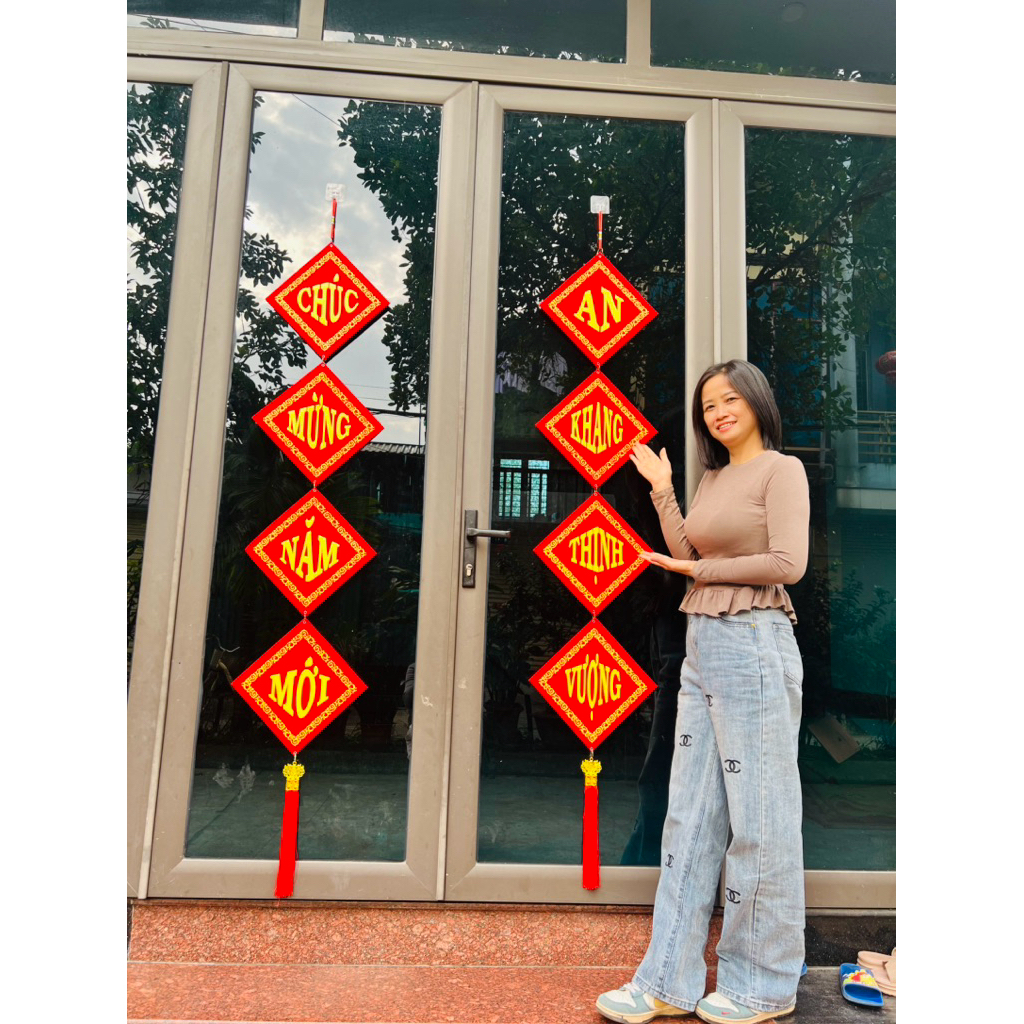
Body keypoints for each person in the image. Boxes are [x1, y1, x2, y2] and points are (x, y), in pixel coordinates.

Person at [595, 360, 810, 1024]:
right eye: (708, 405)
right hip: (704, 643)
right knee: (688, 816)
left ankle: (762, 986)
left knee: (760, 821)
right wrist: (664, 491)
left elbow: (788, 564)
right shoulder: (714, 477)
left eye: (729, 399)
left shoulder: (782, 471)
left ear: (757, 402)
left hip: (755, 640)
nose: (718, 412)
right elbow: (689, 549)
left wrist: (697, 569)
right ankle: (668, 979)